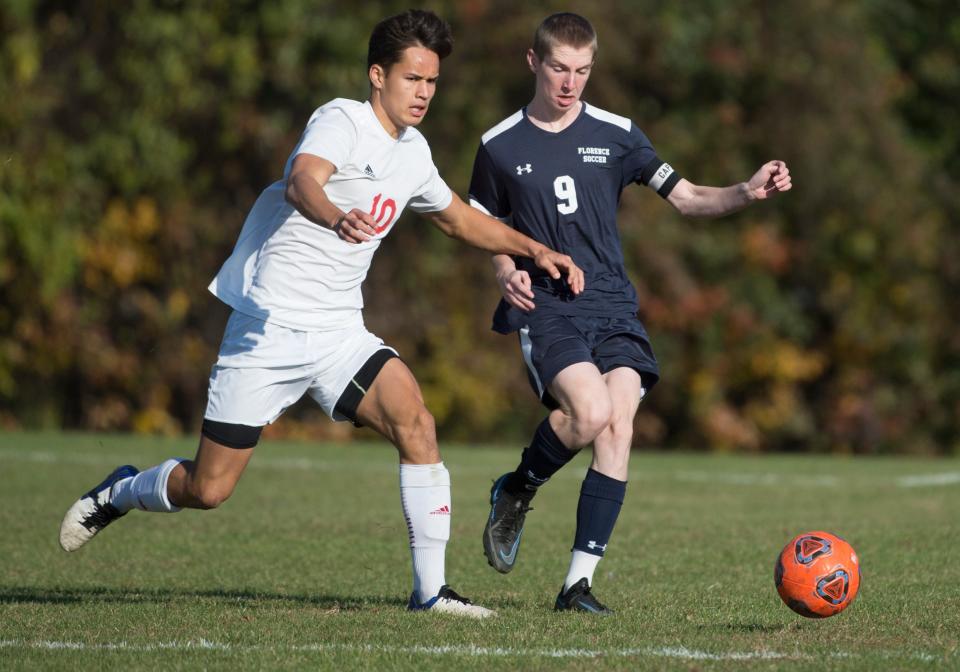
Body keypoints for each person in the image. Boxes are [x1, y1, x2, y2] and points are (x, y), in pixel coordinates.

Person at [58, 9, 584, 619]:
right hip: (269, 329)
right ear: (377, 75)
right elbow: (302, 182)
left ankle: (430, 594)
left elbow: (457, 218)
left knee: (417, 424)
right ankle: (122, 490)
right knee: (209, 489)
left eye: (433, 82)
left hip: (338, 333)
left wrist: (534, 248)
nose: (423, 93)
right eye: (413, 79)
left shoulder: (413, 152)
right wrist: (336, 216)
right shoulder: (342, 120)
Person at [469, 12, 792, 613]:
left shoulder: (617, 133)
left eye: (583, 71)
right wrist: (506, 270)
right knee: (588, 413)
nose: (571, 84)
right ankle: (516, 490)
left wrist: (746, 192)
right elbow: (485, 229)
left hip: (613, 304)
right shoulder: (498, 145)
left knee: (618, 424)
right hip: (548, 307)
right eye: (560, 69)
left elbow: (690, 199)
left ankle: (576, 587)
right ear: (533, 62)